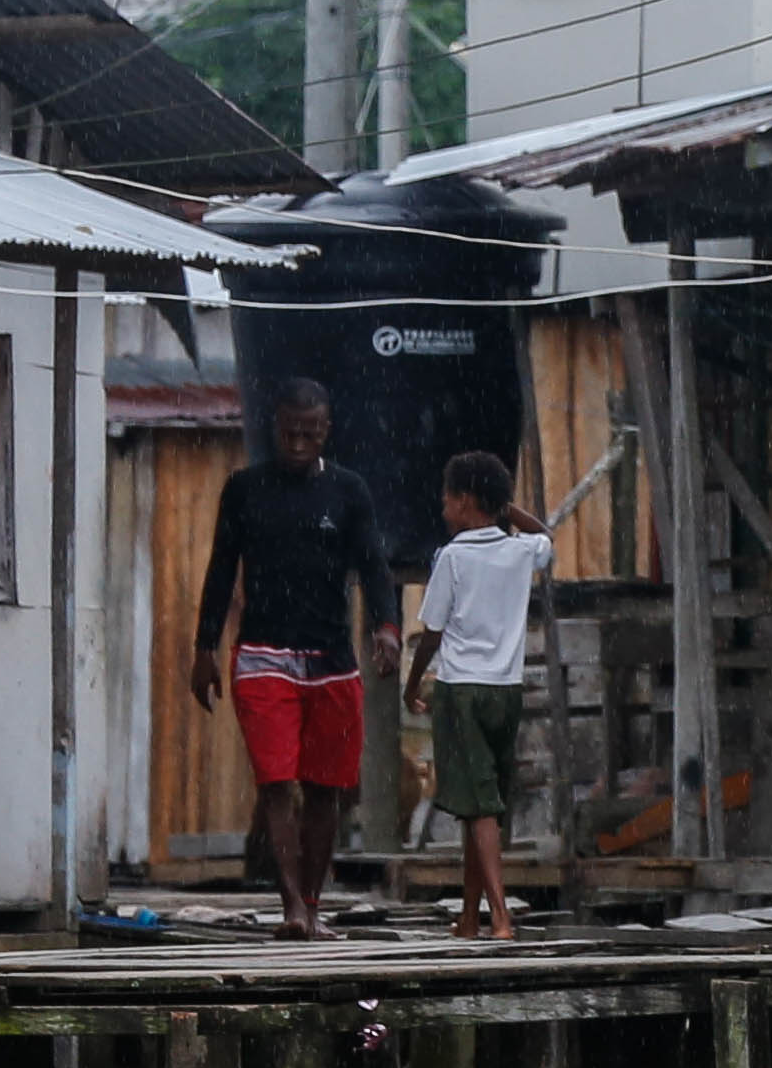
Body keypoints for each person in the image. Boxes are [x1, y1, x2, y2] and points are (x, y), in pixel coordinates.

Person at [189, 380, 397, 941]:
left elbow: (374, 565)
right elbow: (220, 569)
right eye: (289, 433)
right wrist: (204, 648)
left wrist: (387, 627)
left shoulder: (348, 491)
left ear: (326, 431)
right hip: (263, 655)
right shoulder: (245, 489)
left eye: (310, 434)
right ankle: (291, 910)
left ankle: (313, 902)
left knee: (326, 787)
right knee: (277, 782)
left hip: (332, 658)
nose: (299, 444)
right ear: (274, 428)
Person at [401, 450, 550, 942]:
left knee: (480, 806)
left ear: (465, 501)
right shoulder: (520, 551)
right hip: (505, 693)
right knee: (479, 806)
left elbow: (432, 632)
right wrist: (506, 507)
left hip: (462, 690)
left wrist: (411, 684)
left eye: (448, 498)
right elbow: (546, 535)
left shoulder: (453, 557)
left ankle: (501, 917)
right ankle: (470, 916)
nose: (443, 506)